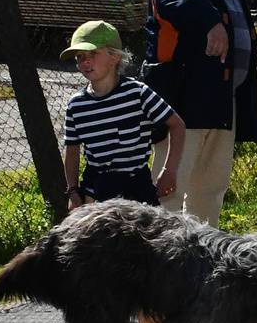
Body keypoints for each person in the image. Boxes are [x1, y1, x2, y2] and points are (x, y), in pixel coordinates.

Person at [142, 0, 257, 225]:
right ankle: (160, 266)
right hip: (182, 103)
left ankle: (202, 266)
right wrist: (210, 20)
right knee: (168, 192)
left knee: (210, 190)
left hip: (223, 100)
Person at [59, 20, 185, 209]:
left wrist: (169, 170)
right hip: (97, 191)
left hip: (137, 188)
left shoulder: (138, 93)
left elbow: (177, 125)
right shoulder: (76, 104)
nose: (85, 61)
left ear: (114, 57)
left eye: (93, 53)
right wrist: (73, 190)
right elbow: (72, 149)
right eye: (79, 56)